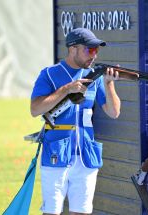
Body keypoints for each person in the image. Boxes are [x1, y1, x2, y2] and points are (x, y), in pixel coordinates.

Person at [30, 28, 121, 215]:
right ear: (73, 48)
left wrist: (109, 84)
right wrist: (66, 90)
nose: (94, 55)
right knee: (51, 212)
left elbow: (114, 112)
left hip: (86, 155)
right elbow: (35, 109)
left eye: (96, 50)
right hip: (56, 153)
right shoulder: (49, 74)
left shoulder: (94, 78)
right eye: (90, 50)